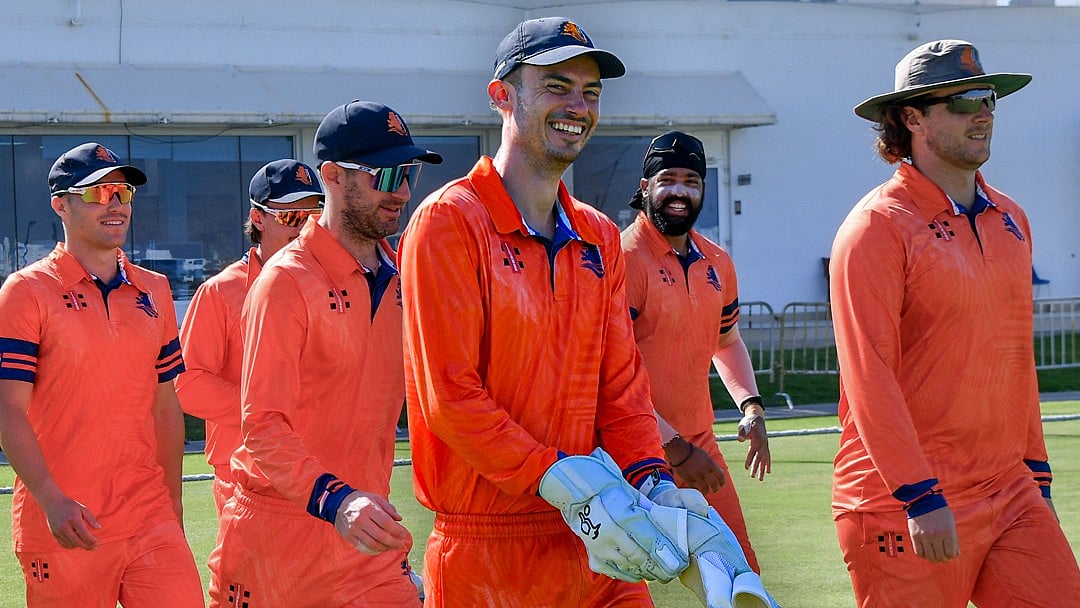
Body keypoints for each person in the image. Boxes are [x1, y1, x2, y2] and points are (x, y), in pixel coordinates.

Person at [399, 17, 721, 607]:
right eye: (556, 85)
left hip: (599, 539)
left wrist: (653, 478)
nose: (578, 105)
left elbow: (621, 389)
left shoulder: (598, 236)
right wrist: (558, 479)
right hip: (489, 551)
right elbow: (450, 396)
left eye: (591, 92)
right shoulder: (449, 222)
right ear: (503, 95)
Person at [831, 39, 1080, 606]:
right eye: (964, 101)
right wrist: (919, 495)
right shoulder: (876, 227)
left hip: (1010, 488)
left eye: (989, 97)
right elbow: (869, 377)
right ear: (912, 118)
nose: (984, 112)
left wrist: (1036, 475)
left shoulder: (1011, 217)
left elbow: (1017, 359)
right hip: (903, 498)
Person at [206, 101, 441, 607]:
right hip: (277, 539)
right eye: (388, 173)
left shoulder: (407, 278)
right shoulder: (285, 281)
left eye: (411, 173)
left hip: (367, 533)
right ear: (332, 176)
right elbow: (263, 426)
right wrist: (337, 501)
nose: (401, 191)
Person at [0, 142, 203, 607]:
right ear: (60, 205)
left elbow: (164, 403)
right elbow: (7, 410)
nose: (114, 204)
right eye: (97, 193)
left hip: (149, 517)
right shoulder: (26, 292)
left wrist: (171, 503)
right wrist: (52, 500)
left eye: (123, 192)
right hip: (65, 522)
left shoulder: (154, 288)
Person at [621, 130, 771, 574]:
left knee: (741, 576)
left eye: (692, 180)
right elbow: (610, 371)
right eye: (668, 179)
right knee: (623, 585)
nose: (679, 192)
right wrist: (673, 447)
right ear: (646, 187)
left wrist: (752, 405)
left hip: (698, 442)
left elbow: (726, 341)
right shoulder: (623, 257)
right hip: (626, 449)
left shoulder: (717, 261)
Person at [176, 159, 324, 516]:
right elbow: (188, 384)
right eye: (290, 217)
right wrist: (273, 412)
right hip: (244, 472)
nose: (304, 226)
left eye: (313, 215)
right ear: (257, 219)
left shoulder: (335, 284)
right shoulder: (219, 291)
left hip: (322, 467)